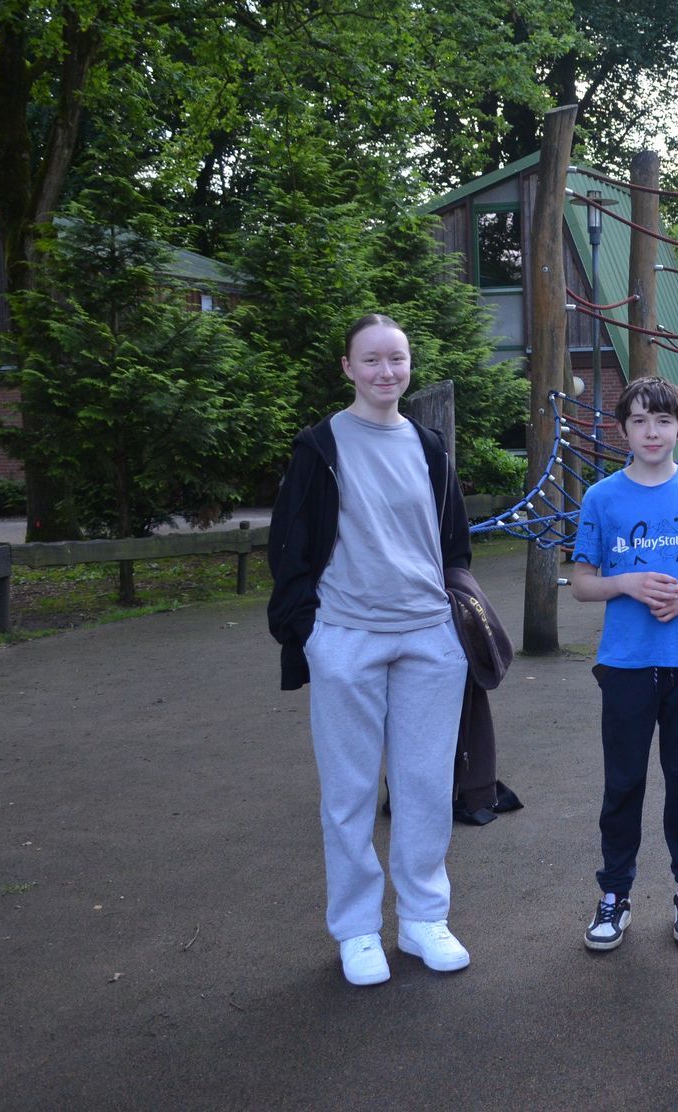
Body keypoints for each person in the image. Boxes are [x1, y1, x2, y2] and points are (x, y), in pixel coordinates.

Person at [266, 313, 475, 987]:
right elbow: (289, 548)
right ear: (348, 368)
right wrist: (310, 634)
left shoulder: (431, 445)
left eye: (399, 359)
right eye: (373, 360)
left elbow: (455, 547)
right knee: (350, 793)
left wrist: (449, 625)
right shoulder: (319, 446)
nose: (389, 371)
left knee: (425, 786)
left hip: (427, 638)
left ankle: (422, 920)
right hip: (347, 638)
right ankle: (357, 930)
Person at [569, 376, 678, 951]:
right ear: (622, 430)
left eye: (662, 421)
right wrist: (629, 584)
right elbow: (581, 583)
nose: (651, 431)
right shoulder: (602, 498)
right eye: (639, 421)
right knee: (624, 782)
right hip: (626, 664)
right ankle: (614, 893)